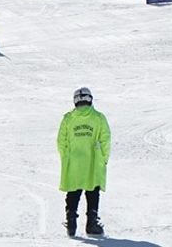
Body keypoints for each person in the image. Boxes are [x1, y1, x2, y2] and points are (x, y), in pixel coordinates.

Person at [57, 87, 110, 237]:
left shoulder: (68, 118)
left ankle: (71, 221)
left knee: (73, 191)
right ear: (90, 99)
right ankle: (92, 223)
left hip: (73, 162)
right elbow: (105, 139)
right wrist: (104, 158)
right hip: (93, 161)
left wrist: (65, 158)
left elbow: (61, 141)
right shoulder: (99, 118)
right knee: (93, 191)